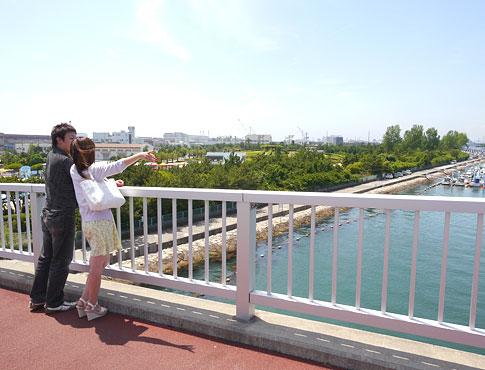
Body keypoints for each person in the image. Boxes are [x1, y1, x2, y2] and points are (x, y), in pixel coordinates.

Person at [70, 137, 157, 320]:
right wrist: (140, 155)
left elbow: (92, 185)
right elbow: (118, 165)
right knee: (97, 267)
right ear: (91, 152)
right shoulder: (93, 170)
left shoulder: (75, 170)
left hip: (89, 222)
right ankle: (92, 306)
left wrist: (109, 184)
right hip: (100, 222)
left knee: (99, 263)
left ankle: (83, 301)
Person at [29, 123, 78, 313]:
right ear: (59, 140)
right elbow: (85, 179)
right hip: (62, 216)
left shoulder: (51, 156)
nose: (74, 142)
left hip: (48, 214)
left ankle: (38, 298)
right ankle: (54, 302)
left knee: (45, 258)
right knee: (61, 260)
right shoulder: (66, 161)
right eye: (71, 139)